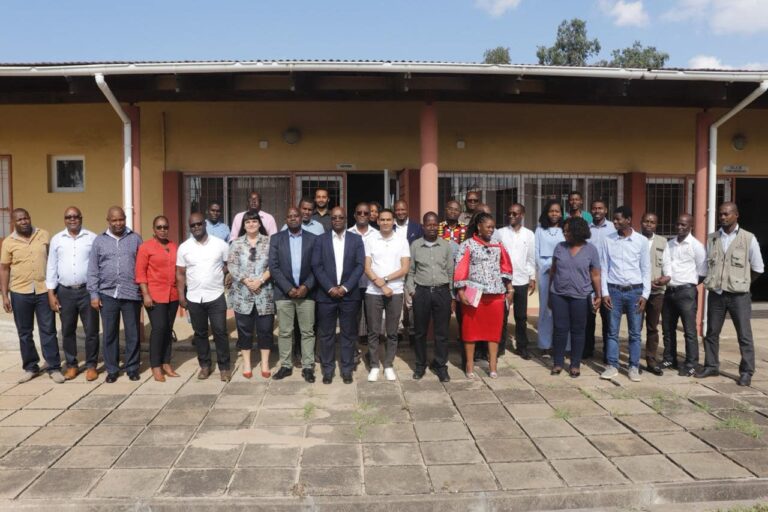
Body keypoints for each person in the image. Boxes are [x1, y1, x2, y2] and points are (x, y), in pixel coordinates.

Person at [696, 202, 764, 386]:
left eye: (726, 214)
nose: (723, 217)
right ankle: (711, 365)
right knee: (711, 332)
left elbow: (758, 268)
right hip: (717, 294)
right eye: (720, 214)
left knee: (744, 335)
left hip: (739, 296)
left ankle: (747, 371)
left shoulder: (748, 238)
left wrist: (742, 282)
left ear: (736, 215)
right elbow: (704, 267)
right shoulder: (712, 239)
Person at [1, 209, 63, 383]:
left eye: (26, 218)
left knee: (48, 330)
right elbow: (4, 269)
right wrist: (4, 296)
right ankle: (30, 367)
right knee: (24, 332)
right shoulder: (8, 242)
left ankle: (54, 367)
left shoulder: (43, 234)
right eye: (19, 219)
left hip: (44, 291)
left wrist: (54, 288)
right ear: (13, 222)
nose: (24, 221)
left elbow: (52, 261)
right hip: (20, 292)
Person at [454, 212, 514, 379]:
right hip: (474, 296)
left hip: (495, 296)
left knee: (493, 332)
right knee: (470, 331)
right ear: (479, 227)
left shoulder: (498, 244)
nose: (491, 230)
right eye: (488, 227)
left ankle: (493, 365)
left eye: (493, 227)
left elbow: (506, 267)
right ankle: (469, 365)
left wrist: (510, 289)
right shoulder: (467, 245)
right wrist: (460, 291)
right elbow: (460, 268)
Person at [87, 206, 143, 383]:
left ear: (125, 219)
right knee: (110, 333)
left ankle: (132, 367)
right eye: (114, 220)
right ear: (108, 220)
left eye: (121, 219)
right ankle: (112, 369)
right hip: (107, 294)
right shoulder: (99, 241)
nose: (118, 223)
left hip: (131, 293)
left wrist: (143, 291)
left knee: (132, 333)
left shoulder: (135, 238)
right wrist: (94, 295)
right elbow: (93, 270)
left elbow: (142, 266)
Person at [46, 206, 99, 381]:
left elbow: (98, 266)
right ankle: (72, 365)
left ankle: (91, 365)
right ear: (64, 219)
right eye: (69, 217)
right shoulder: (57, 239)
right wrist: (51, 293)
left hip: (87, 291)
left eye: (76, 216)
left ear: (81, 218)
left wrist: (96, 292)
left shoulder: (92, 238)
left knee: (91, 330)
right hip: (65, 292)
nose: (72, 219)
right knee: (68, 330)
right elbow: (52, 266)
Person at [177, 212, 232, 382]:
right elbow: (180, 273)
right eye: (193, 225)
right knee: (200, 334)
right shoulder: (184, 247)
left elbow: (229, 264)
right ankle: (205, 366)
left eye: (199, 224)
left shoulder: (220, 245)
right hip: (194, 297)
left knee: (220, 332)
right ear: (190, 227)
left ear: (205, 224)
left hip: (216, 295)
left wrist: (223, 274)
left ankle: (224, 367)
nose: (196, 227)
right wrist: (181, 295)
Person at [313, 207, 365, 384]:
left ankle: (347, 369)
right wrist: (330, 287)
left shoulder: (356, 240)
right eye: (333, 217)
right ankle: (328, 370)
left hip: (349, 295)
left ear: (346, 219)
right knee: (326, 334)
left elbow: (360, 266)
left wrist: (345, 287)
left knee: (348, 334)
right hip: (326, 296)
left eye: (340, 217)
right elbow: (317, 266)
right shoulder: (321, 240)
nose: (336, 220)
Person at [599, 206, 650, 382]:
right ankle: (612, 365)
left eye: (618, 219)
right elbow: (604, 267)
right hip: (614, 291)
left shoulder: (641, 241)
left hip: (635, 292)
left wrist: (645, 295)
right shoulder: (608, 240)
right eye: (614, 219)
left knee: (635, 333)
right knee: (612, 332)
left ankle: (633, 367)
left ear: (628, 220)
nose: (615, 222)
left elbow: (646, 269)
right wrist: (605, 293)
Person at [548, 217, 602, 378]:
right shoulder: (559, 247)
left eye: (567, 230)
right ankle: (558, 363)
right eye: (563, 230)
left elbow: (596, 275)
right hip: (559, 294)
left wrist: (598, 295)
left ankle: (575, 364)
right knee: (559, 330)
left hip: (580, 296)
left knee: (578, 331)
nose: (564, 233)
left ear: (578, 231)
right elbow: (553, 270)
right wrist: (550, 294)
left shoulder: (591, 250)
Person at [269, 207, 317, 382]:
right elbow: (273, 267)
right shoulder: (276, 239)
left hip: (307, 293)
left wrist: (306, 285)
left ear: (301, 217)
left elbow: (317, 266)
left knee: (307, 332)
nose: (293, 218)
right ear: (286, 219)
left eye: (296, 215)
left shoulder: (313, 239)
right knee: (285, 332)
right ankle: (286, 365)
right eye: (289, 216)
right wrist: (288, 288)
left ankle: (308, 367)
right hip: (284, 293)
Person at [406, 212, 453, 382]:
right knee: (420, 332)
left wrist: (451, 294)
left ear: (438, 226)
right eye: (429, 224)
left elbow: (450, 271)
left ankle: (440, 366)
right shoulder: (416, 246)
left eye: (435, 225)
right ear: (423, 226)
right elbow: (410, 272)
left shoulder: (446, 246)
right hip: (422, 292)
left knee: (442, 333)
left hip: (442, 292)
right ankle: (420, 365)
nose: (432, 228)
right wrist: (412, 291)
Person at [364, 208, 411, 382]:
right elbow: (367, 267)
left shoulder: (401, 240)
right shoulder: (370, 240)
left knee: (392, 331)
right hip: (373, 292)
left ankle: (389, 364)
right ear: (377, 221)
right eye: (382, 220)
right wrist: (381, 285)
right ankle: (375, 365)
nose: (385, 222)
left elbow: (405, 268)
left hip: (396, 291)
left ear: (393, 221)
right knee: (374, 331)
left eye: (388, 219)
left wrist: (385, 280)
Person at [230, 212, 275, 380]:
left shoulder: (269, 242)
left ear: (259, 224)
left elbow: (274, 264)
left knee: (265, 330)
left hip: (265, 293)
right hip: (243, 294)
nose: (251, 224)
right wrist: (246, 281)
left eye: (254, 221)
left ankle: (264, 363)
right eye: (247, 222)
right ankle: (247, 363)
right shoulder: (236, 244)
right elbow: (232, 266)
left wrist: (261, 280)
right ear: (243, 225)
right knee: (244, 330)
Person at [136, 215, 180, 382]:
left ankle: (166, 362)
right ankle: (155, 365)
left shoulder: (173, 246)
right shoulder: (146, 247)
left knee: (168, 329)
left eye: (165, 227)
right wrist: (145, 294)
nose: (163, 230)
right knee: (159, 328)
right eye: (159, 227)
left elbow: (179, 271)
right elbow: (140, 273)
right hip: (155, 295)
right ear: (154, 230)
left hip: (173, 295)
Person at [663, 213, 707, 377]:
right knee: (668, 329)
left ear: (691, 226)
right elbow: (666, 264)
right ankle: (669, 358)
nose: (680, 227)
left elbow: (703, 271)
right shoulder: (670, 244)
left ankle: (691, 363)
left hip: (686, 292)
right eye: (677, 224)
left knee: (689, 331)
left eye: (684, 225)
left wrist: (688, 284)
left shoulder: (696, 246)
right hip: (670, 291)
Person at [492, 203, 535, 360]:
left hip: (522, 280)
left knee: (521, 317)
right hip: (503, 282)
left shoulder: (529, 234)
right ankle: (500, 346)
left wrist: (532, 277)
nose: (511, 216)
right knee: (502, 316)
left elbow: (530, 258)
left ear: (522, 215)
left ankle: (522, 347)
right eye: (509, 213)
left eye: (515, 214)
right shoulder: (500, 233)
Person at [585, 199, 616, 361]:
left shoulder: (612, 228)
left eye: (600, 208)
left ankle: (607, 353)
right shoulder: (586, 228)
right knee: (588, 317)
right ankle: (587, 350)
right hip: (588, 278)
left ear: (606, 210)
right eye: (594, 208)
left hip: (608, 279)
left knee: (607, 317)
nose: (597, 211)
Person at [640, 212, 671, 377]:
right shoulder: (635, 240)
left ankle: (651, 360)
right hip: (637, 292)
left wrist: (664, 279)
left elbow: (667, 267)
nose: (649, 224)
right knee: (635, 327)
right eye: (646, 221)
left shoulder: (663, 242)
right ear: (641, 222)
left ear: (656, 224)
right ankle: (632, 361)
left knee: (652, 328)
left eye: (652, 222)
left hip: (656, 292)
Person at [535, 199, 565, 355]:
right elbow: (536, 252)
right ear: (547, 213)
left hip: (563, 272)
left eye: (557, 211)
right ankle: (545, 344)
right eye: (551, 211)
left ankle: (563, 346)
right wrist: (545, 267)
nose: (554, 214)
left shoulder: (565, 229)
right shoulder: (540, 230)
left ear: (561, 213)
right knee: (546, 309)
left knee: (562, 309)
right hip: (546, 272)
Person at [348, 202, 379, 346]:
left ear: (370, 216)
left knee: (373, 322)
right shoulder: (347, 234)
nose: (362, 215)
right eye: (359, 213)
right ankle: (353, 352)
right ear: (354, 215)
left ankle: (372, 355)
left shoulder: (377, 235)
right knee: (352, 320)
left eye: (366, 213)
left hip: (371, 284)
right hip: (353, 285)